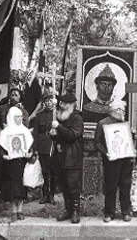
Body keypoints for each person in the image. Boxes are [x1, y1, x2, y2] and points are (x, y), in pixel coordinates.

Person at [95, 100, 136, 223]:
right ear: (114, 110)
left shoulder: (125, 124)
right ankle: (109, 213)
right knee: (111, 187)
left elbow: (127, 142)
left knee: (125, 185)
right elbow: (97, 142)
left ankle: (126, 212)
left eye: (123, 110)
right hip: (111, 161)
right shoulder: (103, 123)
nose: (122, 112)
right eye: (121, 110)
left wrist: (132, 137)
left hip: (125, 160)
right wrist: (106, 153)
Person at [50, 93, 84, 224]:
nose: (61, 106)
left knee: (72, 186)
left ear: (70, 105)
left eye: (63, 104)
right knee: (63, 185)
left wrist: (58, 127)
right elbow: (60, 136)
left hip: (72, 157)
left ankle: (75, 211)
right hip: (60, 157)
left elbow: (72, 135)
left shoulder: (77, 118)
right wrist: (53, 135)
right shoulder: (60, 117)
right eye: (60, 104)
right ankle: (68, 210)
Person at [0, 106, 34, 222]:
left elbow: (31, 146)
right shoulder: (5, 133)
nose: (20, 119)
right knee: (13, 188)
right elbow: (0, 147)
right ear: (11, 117)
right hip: (10, 164)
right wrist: (3, 155)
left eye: (20, 117)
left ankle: (20, 210)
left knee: (22, 186)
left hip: (22, 162)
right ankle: (14, 210)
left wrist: (30, 153)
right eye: (17, 117)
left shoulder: (25, 131)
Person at [29, 94, 58, 204]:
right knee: (44, 171)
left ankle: (52, 194)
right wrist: (35, 148)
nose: (48, 103)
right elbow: (35, 133)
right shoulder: (39, 116)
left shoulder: (57, 115)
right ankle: (45, 194)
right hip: (42, 145)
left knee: (54, 171)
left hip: (53, 145)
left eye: (50, 101)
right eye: (46, 101)